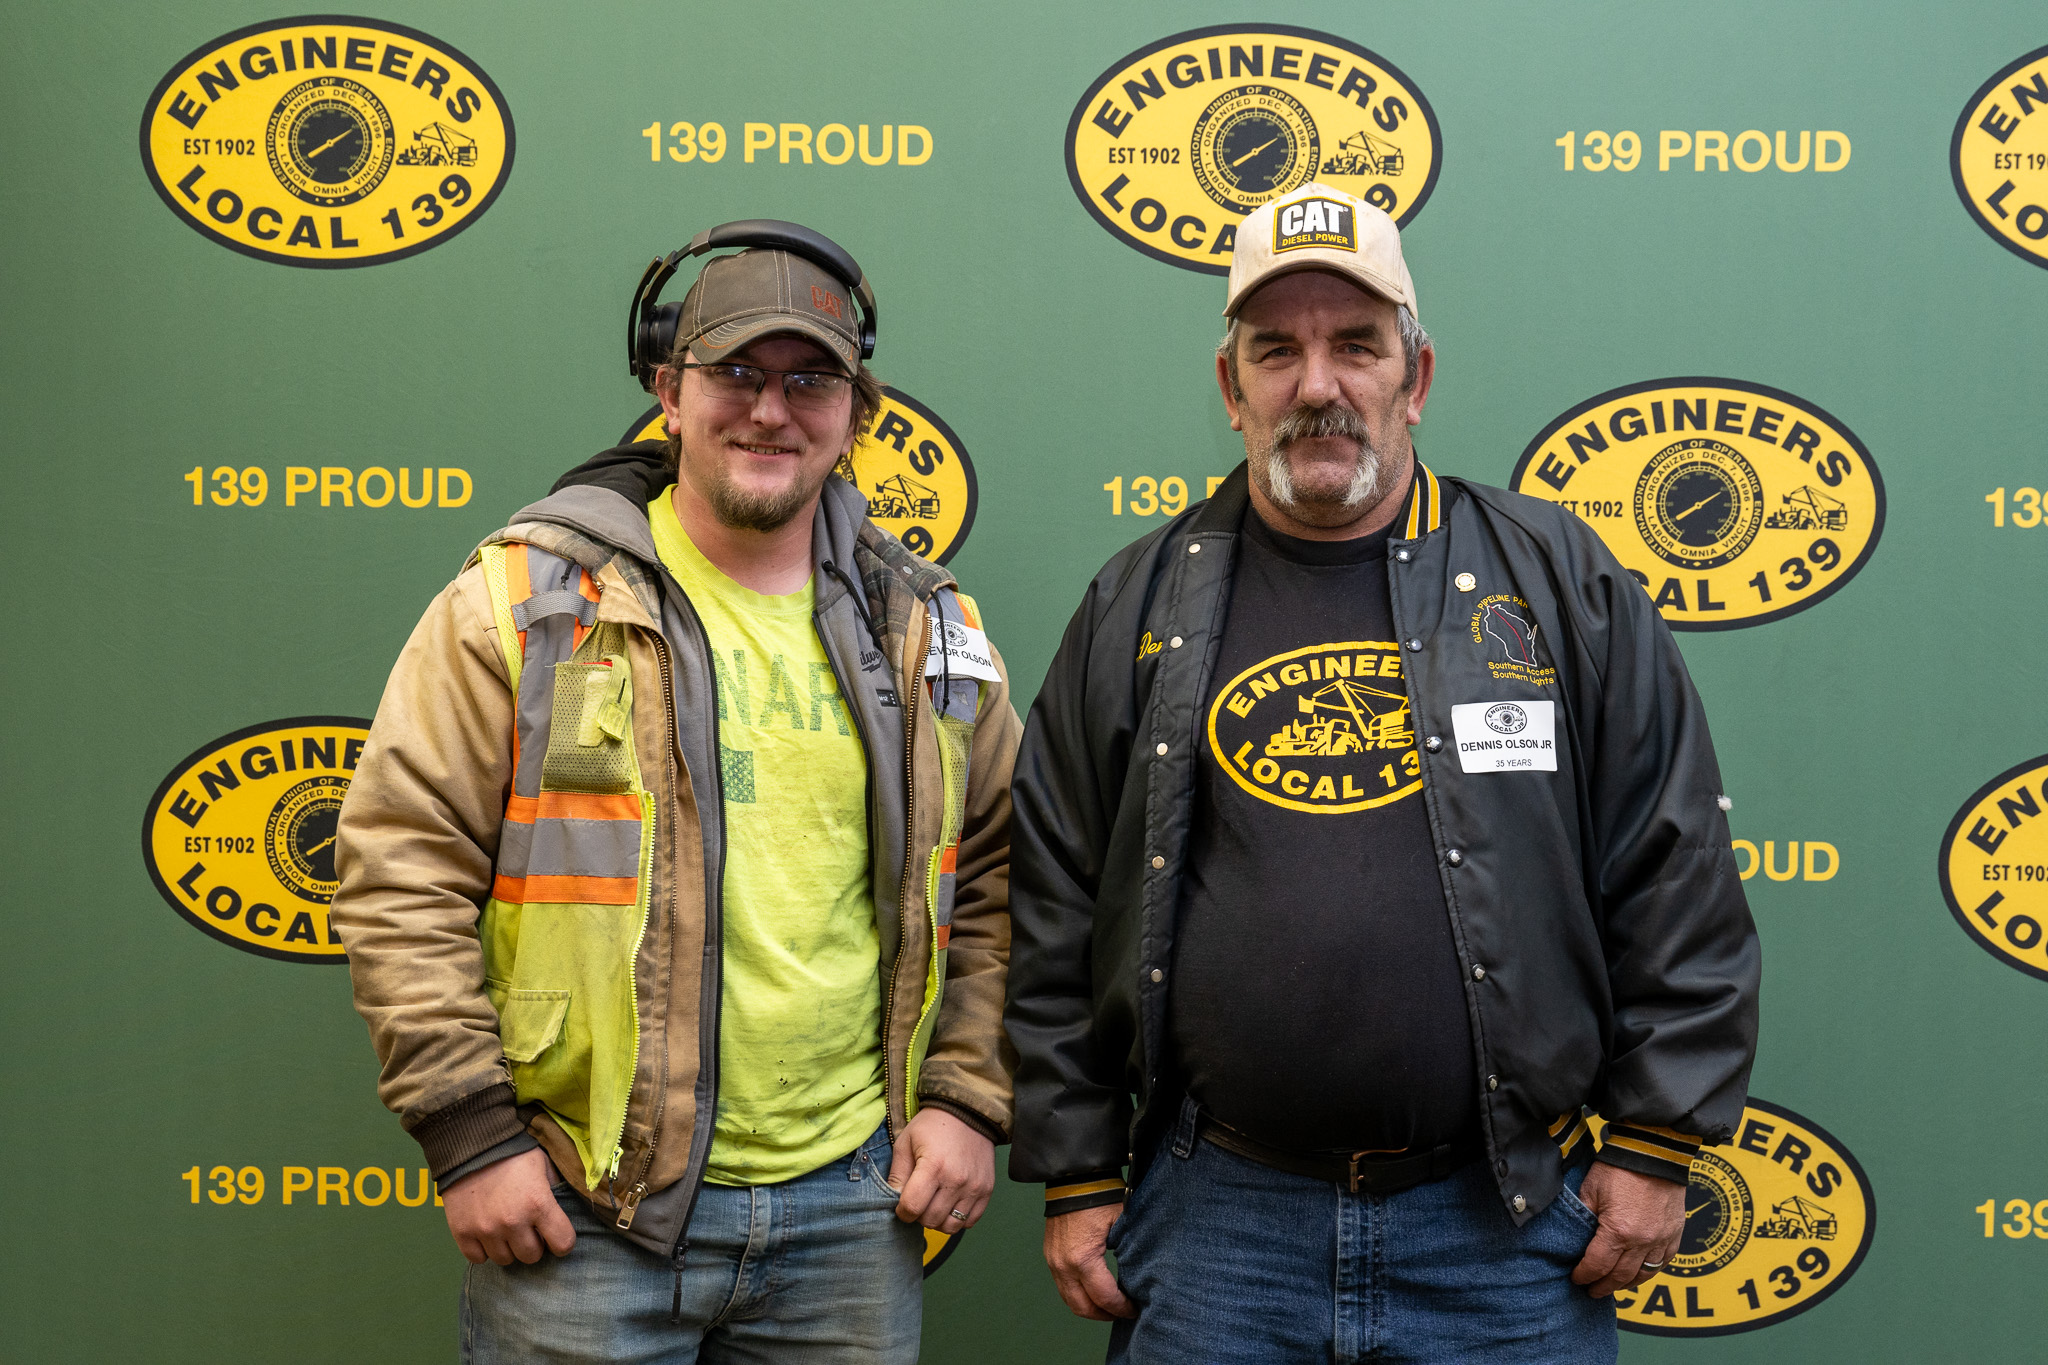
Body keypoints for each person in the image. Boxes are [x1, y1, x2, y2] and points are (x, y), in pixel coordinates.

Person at [1005, 182, 1760, 1362]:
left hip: (1502, 1226)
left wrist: (1656, 1138)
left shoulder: (1555, 581)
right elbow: (1053, 895)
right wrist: (1075, 1165)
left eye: (1355, 345)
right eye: (1276, 351)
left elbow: (1674, 862)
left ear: (1414, 376)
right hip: (1217, 1233)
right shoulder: (1137, 602)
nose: (1317, 385)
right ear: (1230, 387)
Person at [332, 222, 1020, 1364]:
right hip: (585, 1201)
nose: (769, 410)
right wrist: (470, 1133)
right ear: (668, 391)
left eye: (809, 381)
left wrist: (963, 1094)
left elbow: (997, 873)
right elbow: (400, 861)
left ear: (857, 413)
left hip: (853, 1208)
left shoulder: (926, 622)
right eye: (735, 372)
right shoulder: (529, 598)